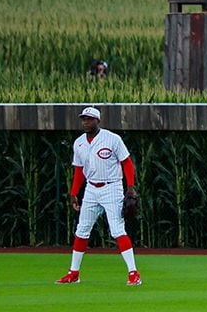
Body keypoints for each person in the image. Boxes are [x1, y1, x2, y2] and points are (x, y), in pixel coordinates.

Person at [55, 106, 142, 286]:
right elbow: (79, 171)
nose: (85, 122)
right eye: (83, 119)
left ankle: (134, 273)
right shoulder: (79, 143)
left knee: (117, 230)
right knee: (82, 230)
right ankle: (74, 273)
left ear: (98, 121)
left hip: (112, 187)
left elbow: (127, 163)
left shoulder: (112, 139)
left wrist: (131, 187)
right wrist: (73, 193)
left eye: (89, 119)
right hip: (91, 189)